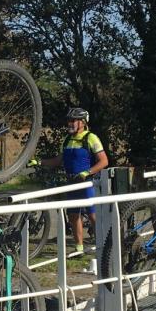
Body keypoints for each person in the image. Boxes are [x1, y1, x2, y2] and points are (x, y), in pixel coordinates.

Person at [34, 107, 108, 252]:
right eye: (69, 121)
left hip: (87, 183)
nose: (70, 123)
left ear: (83, 122)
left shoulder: (91, 138)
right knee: (73, 215)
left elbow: (104, 161)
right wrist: (39, 162)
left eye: (73, 121)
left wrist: (88, 172)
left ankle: (104, 246)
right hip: (72, 183)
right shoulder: (67, 139)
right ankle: (79, 247)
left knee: (93, 215)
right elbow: (58, 161)